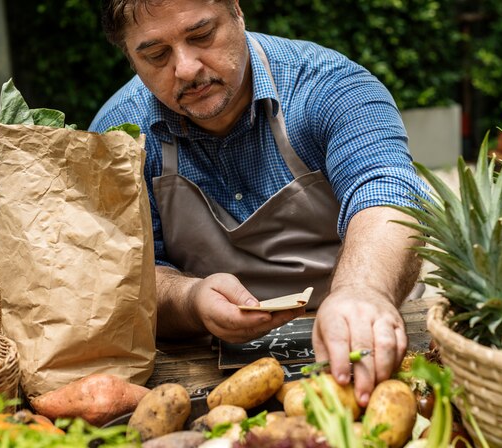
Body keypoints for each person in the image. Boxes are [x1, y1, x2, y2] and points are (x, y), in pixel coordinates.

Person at [90, 0, 428, 406]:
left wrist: (362, 291)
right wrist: (191, 300)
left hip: (367, 338)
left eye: (201, 36)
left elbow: (388, 193)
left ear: (237, 11)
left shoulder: (331, 86)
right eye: (156, 55)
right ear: (130, 57)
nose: (186, 68)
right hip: (207, 369)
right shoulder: (117, 136)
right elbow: (130, 277)